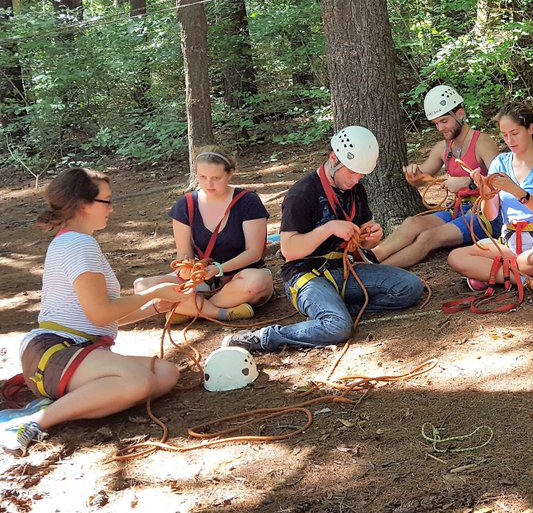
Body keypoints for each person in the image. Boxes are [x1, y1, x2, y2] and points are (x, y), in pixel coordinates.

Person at [0, 168, 190, 455]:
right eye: (106, 201)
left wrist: (154, 306)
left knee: (165, 373)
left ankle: (65, 402)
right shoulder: (79, 244)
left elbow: (104, 318)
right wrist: (154, 292)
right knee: (137, 382)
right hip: (54, 351)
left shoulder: (76, 242)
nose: (111, 208)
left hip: (71, 351)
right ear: (83, 205)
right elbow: (100, 314)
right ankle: (33, 422)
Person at [223, 126, 424, 353]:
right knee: (338, 328)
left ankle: (336, 313)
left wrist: (372, 237)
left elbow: (364, 240)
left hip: (344, 269)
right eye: (352, 172)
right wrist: (329, 228)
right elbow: (289, 250)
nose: (356, 179)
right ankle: (263, 338)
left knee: (410, 287)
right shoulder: (302, 194)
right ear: (333, 159)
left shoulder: (356, 189)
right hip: (306, 274)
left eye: (361, 174)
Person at [133, 147, 273, 323]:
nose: (208, 184)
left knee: (257, 283)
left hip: (241, 276)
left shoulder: (248, 202)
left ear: (230, 174)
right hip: (201, 279)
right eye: (202, 177)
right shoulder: (186, 205)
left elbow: (254, 252)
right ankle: (220, 313)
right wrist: (186, 269)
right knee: (142, 286)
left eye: (216, 178)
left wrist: (219, 269)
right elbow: (184, 255)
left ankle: (188, 309)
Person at [373, 85, 501, 268]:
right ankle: (370, 259)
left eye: (444, 121)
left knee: (428, 237)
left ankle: (375, 272)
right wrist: (413, 176)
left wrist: (469, 182)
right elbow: (422, 177)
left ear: (460, 114)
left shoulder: (482, 142)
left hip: (486, 215)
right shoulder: (443, 148)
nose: (440, 128)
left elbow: (501, 181)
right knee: (412, 222)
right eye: (436, 124)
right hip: (458, 210)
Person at [447, 106, 533, 290]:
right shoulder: (500, 162)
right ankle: (527, 280)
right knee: (456, 257)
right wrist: (485, 191)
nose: (509, 140)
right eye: (504, 135)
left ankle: (496, 274)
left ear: (530, 129)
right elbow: (491, 215)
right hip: (509, 244)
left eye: (515, 133)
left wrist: (516, 190)